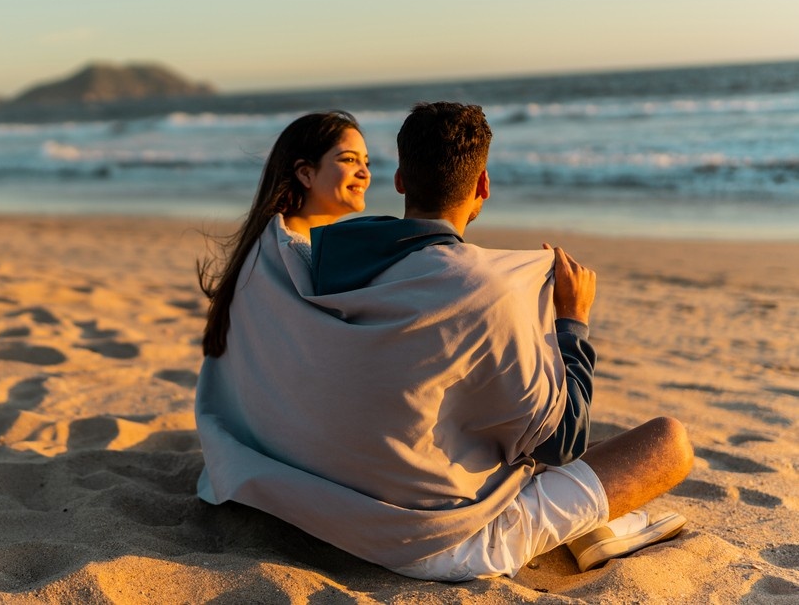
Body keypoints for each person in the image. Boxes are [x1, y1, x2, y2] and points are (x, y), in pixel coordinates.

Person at [195, 101, 693, 581]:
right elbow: (563, 442)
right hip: (437, 542)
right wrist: (572, 322)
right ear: (483, 185)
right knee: (668, 443)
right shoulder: (484, 287)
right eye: (350, 160)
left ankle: (591, 532)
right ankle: (586, 530)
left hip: (327, 494)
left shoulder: (329, 264)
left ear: (399, 181)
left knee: (502, 422)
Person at [198, 110, 371, 358]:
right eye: (349, 160)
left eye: (367, 162)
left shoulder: (270, 240)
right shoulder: (295, 254)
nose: (365, 173)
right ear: (306, 173)